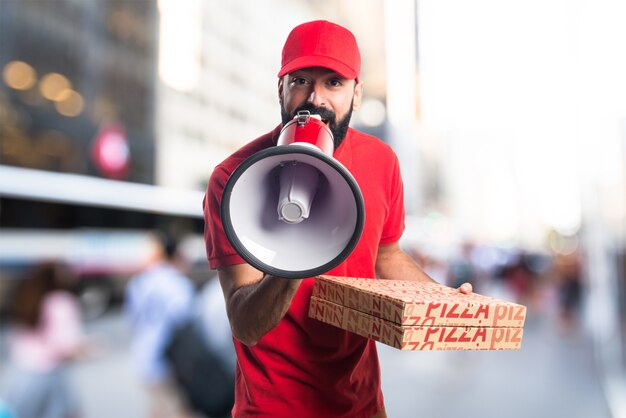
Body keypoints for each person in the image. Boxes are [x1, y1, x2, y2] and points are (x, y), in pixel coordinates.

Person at [203, 20, 473, 418]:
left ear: (357, 93)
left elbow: (386, 256)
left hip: (362, 403)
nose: (316, 99)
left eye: (334, 82)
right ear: (280, 88)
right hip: (273, 409)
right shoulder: (232, 178)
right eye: (300, 81)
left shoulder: (382, 162)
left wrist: (442, 301)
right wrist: (297, 253)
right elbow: (246, 325)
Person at [2, 261, 88, 418]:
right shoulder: (61, 301)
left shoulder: (26, 296)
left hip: (22, 373)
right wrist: (89, 349)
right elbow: (67, 347)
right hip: (49, 374)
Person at [124, 233, 196, 418]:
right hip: (171, 361)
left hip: (144, 356)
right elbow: (185, 322)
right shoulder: (177, 283)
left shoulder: (138, 282)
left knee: (157, 409)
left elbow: (133, 318)